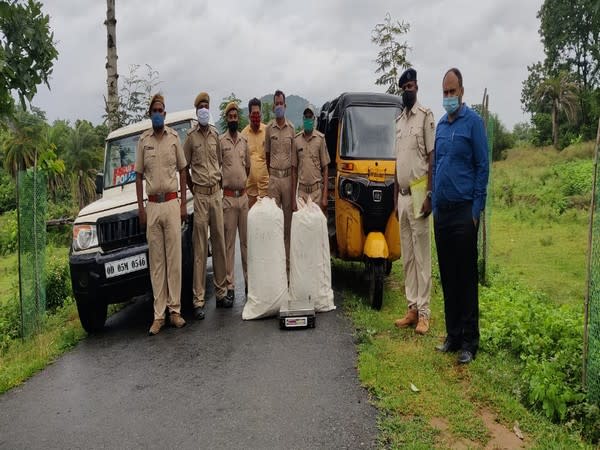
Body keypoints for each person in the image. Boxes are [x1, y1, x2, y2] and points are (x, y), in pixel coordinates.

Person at [433, 68, 489, 364]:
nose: (449, 97)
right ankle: (453, 336)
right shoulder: (441, 126)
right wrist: (433, 198)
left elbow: (483, 166)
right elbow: (435, 166)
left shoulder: (474, 124)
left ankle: (470, 341)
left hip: (465, 213)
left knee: (466, 278)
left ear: (462, 92)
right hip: (442, 213)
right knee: (448, 277)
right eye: (445, 92)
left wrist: (476, 211)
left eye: (453, 91)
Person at [135, 93, 187, 335]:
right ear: (150, 114)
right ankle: (159, 316)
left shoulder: (174, 138)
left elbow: (183, 170)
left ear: (165, 114)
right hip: (153, 206)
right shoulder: (143, 141)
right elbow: (137, 175)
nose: (158, 113)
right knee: (156, 263)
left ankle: (175, 311)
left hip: (171, 203)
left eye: (161, 110)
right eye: (154, 110)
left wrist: (184, 204)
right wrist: (141, 208)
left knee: (173, 260)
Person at [392, 68, 435, 335]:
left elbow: (432, 157)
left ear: (417, 87)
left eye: (411, 86)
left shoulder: (425, 117)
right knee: (407, 256)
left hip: (420, 191)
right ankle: (411, 308)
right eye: (404, 87)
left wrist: (430, 193)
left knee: (422, 256)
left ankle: (425, 313)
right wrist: (396, 192)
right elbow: (399, 160)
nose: (408, 90)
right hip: (403, 195)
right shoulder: (398, 122)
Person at [184, 91, 230, 320]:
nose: (204, 108)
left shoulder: (215, 135)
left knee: (219, 244)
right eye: (201, 105)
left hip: (216, 195)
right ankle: (198, 300)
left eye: (206, 105)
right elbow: (184, 170)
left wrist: (218, 189)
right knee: (200, 249)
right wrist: (194, 191)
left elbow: (220, 163)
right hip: (201, 197)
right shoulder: (190, 138)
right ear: (196, 110)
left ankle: (221, 294)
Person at [220, 102, 250, 301]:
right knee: (229, 245)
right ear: (226, 119)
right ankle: (230, 286)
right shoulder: (220, 142)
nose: (233, 119)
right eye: (230, 116)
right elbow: (216, 167)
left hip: (244, 198)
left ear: (238, 118)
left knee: (246, 243)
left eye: (235, 116)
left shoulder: (244, 141)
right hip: (228, 199)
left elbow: (248, 168)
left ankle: (249, 283)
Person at [265, 89, 296, 268]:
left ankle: (288, 266)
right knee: (274, 222)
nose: (278, 106)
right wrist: (273, 175)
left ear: (285, 105)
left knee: (287, 224)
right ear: (273, 106)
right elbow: (267, 156)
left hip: (288, 179)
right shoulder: (269, 129)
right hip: (274, 180)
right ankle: (275, 266)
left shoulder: (292, 129)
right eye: (276, 103)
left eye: (280, 103)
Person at [292, 105, 329, 213]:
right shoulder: (296, 140)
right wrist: (293, 198)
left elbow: (325, 168)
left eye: (310, 117)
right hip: (301, 194)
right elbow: (294, 171)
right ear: (303, 119)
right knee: (302, 227)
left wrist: (325, 195)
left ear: (314, 119)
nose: (308, 119)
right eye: (306, 117)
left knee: (316, 227)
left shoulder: (320, 139)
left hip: (317, 193)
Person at [241, 98, 269, 209]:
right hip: (250, 192)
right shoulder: (243, 135)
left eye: (258, 113)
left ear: (261, 114)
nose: (256, 116)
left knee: (266, 222)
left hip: (266, 190)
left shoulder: (268, 131)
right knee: (251, 224)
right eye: (254, 114)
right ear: (249, 115)